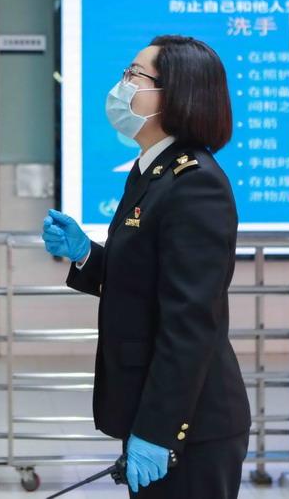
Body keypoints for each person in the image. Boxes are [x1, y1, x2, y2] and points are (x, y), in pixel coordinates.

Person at [41, 35, 251, 499]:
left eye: (135, 75)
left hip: (190, 426)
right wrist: (86, 254)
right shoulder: (153, 171)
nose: (123, 85)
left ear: (174, 95)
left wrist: (158, 430)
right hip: (155, 409)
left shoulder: (195, 183)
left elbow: (190, 321)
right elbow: (144, 281)